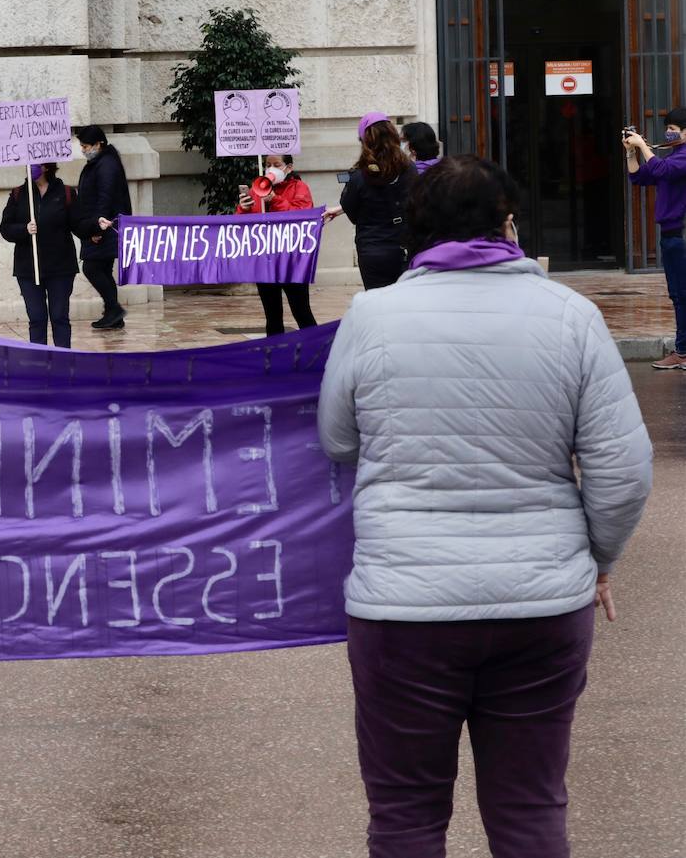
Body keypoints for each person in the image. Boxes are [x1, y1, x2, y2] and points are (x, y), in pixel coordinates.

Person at [318, 155, 653, 858]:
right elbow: (622, 471)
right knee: (531, 811)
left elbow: (336, 437)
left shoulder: (372, 315)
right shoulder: (571, 315)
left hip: (404, 609)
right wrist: (597, 558)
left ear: (417, 232)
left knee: (406, 816)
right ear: (509, 224)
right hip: (542, 606)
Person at [625, 108, 686, 369]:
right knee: (679, 295)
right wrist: (631, 151)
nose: (669, 131)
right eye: (668, 127)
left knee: (681, 295)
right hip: (672, 237)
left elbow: (661, 170)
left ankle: (682, 352)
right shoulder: (673, 156)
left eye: (674, 128)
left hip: (681, 237)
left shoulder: (681, 159)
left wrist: (642, 145)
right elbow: (639, 176)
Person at [327, 113, 417, 290]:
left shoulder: (358, 177)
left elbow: (352, 211)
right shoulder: (409, 169)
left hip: (372, 250)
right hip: (405, 247)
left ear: (364, 141)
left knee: (378, 302)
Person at [235, 153, 318, 336]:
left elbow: (301, 216)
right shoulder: (259, 187)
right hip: (266, 259)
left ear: (289, 168)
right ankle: (274, 356)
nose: (271, 169)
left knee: (301, 311)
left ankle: (316, 352)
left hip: (292, 259)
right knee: (272, 316)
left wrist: (274, 199)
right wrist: (244, 208)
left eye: (277, 164)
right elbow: (243, 226)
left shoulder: (300, 188)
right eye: (268, 164)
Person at [0, 162, 80, 347]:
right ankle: (39, 362)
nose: (30, 166)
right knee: (36, 318)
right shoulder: (19, 194)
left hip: (61, 268)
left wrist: (95, 227)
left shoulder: (66, 192)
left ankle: (64, 361)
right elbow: (5, 228)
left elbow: (78, 223)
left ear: (46, 166)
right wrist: (24, 229)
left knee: (60, 317)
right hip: (28, 269)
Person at [71, 125, 132, 330]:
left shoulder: (106, 165)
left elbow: (105, 198)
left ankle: (114, 309)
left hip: (105, 226)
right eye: (82, 146)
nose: (83, 149)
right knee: (103, 269)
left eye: (86, 145)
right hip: (102, 224)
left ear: (99, 144)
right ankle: (112, 313)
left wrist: (97, 229)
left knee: (92, 267)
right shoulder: (101, 162)